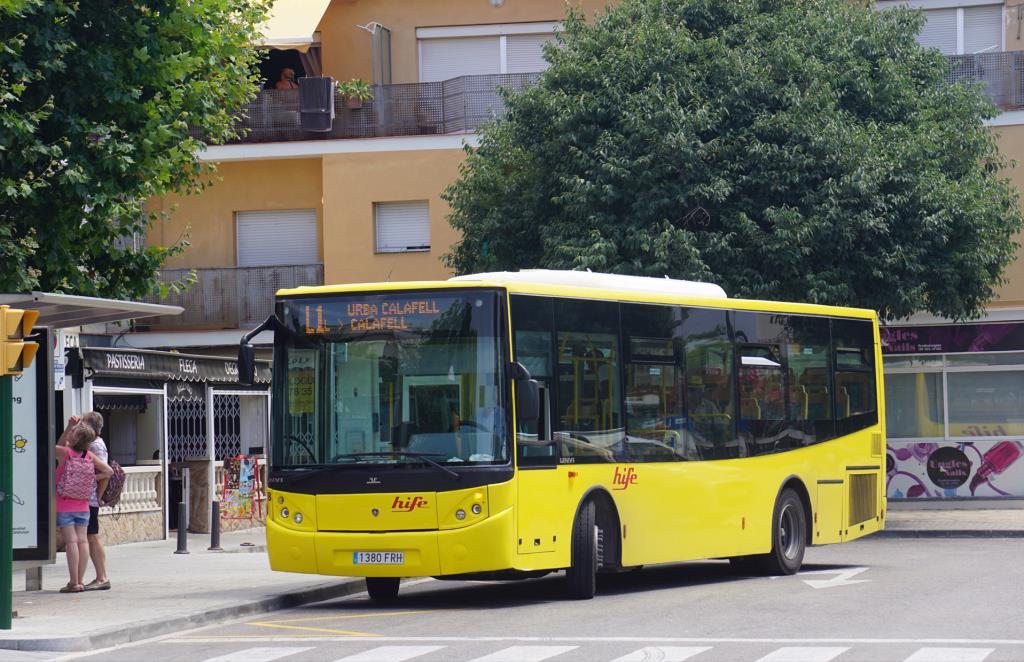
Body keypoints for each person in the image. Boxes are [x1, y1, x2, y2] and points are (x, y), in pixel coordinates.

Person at [55, 419, 113, 593]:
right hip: (84, 505)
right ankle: (80, 580)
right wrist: (89, 478)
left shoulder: (65, 453)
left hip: (65, 503)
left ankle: (74, 582)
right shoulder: (89, 456)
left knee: (71, 542)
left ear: (73, 438)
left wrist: (68, 428)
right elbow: (108, 471)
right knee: (82, 541)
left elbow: (53, 447)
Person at [82, 411, 111, 591]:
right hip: (89, 497)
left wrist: (98, 496)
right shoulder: (91, 444)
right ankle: (100, 576)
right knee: (90, 536)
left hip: (90, 498)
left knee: (92, 537)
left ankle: (102, 576)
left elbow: (106, 474)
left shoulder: (96, 446)